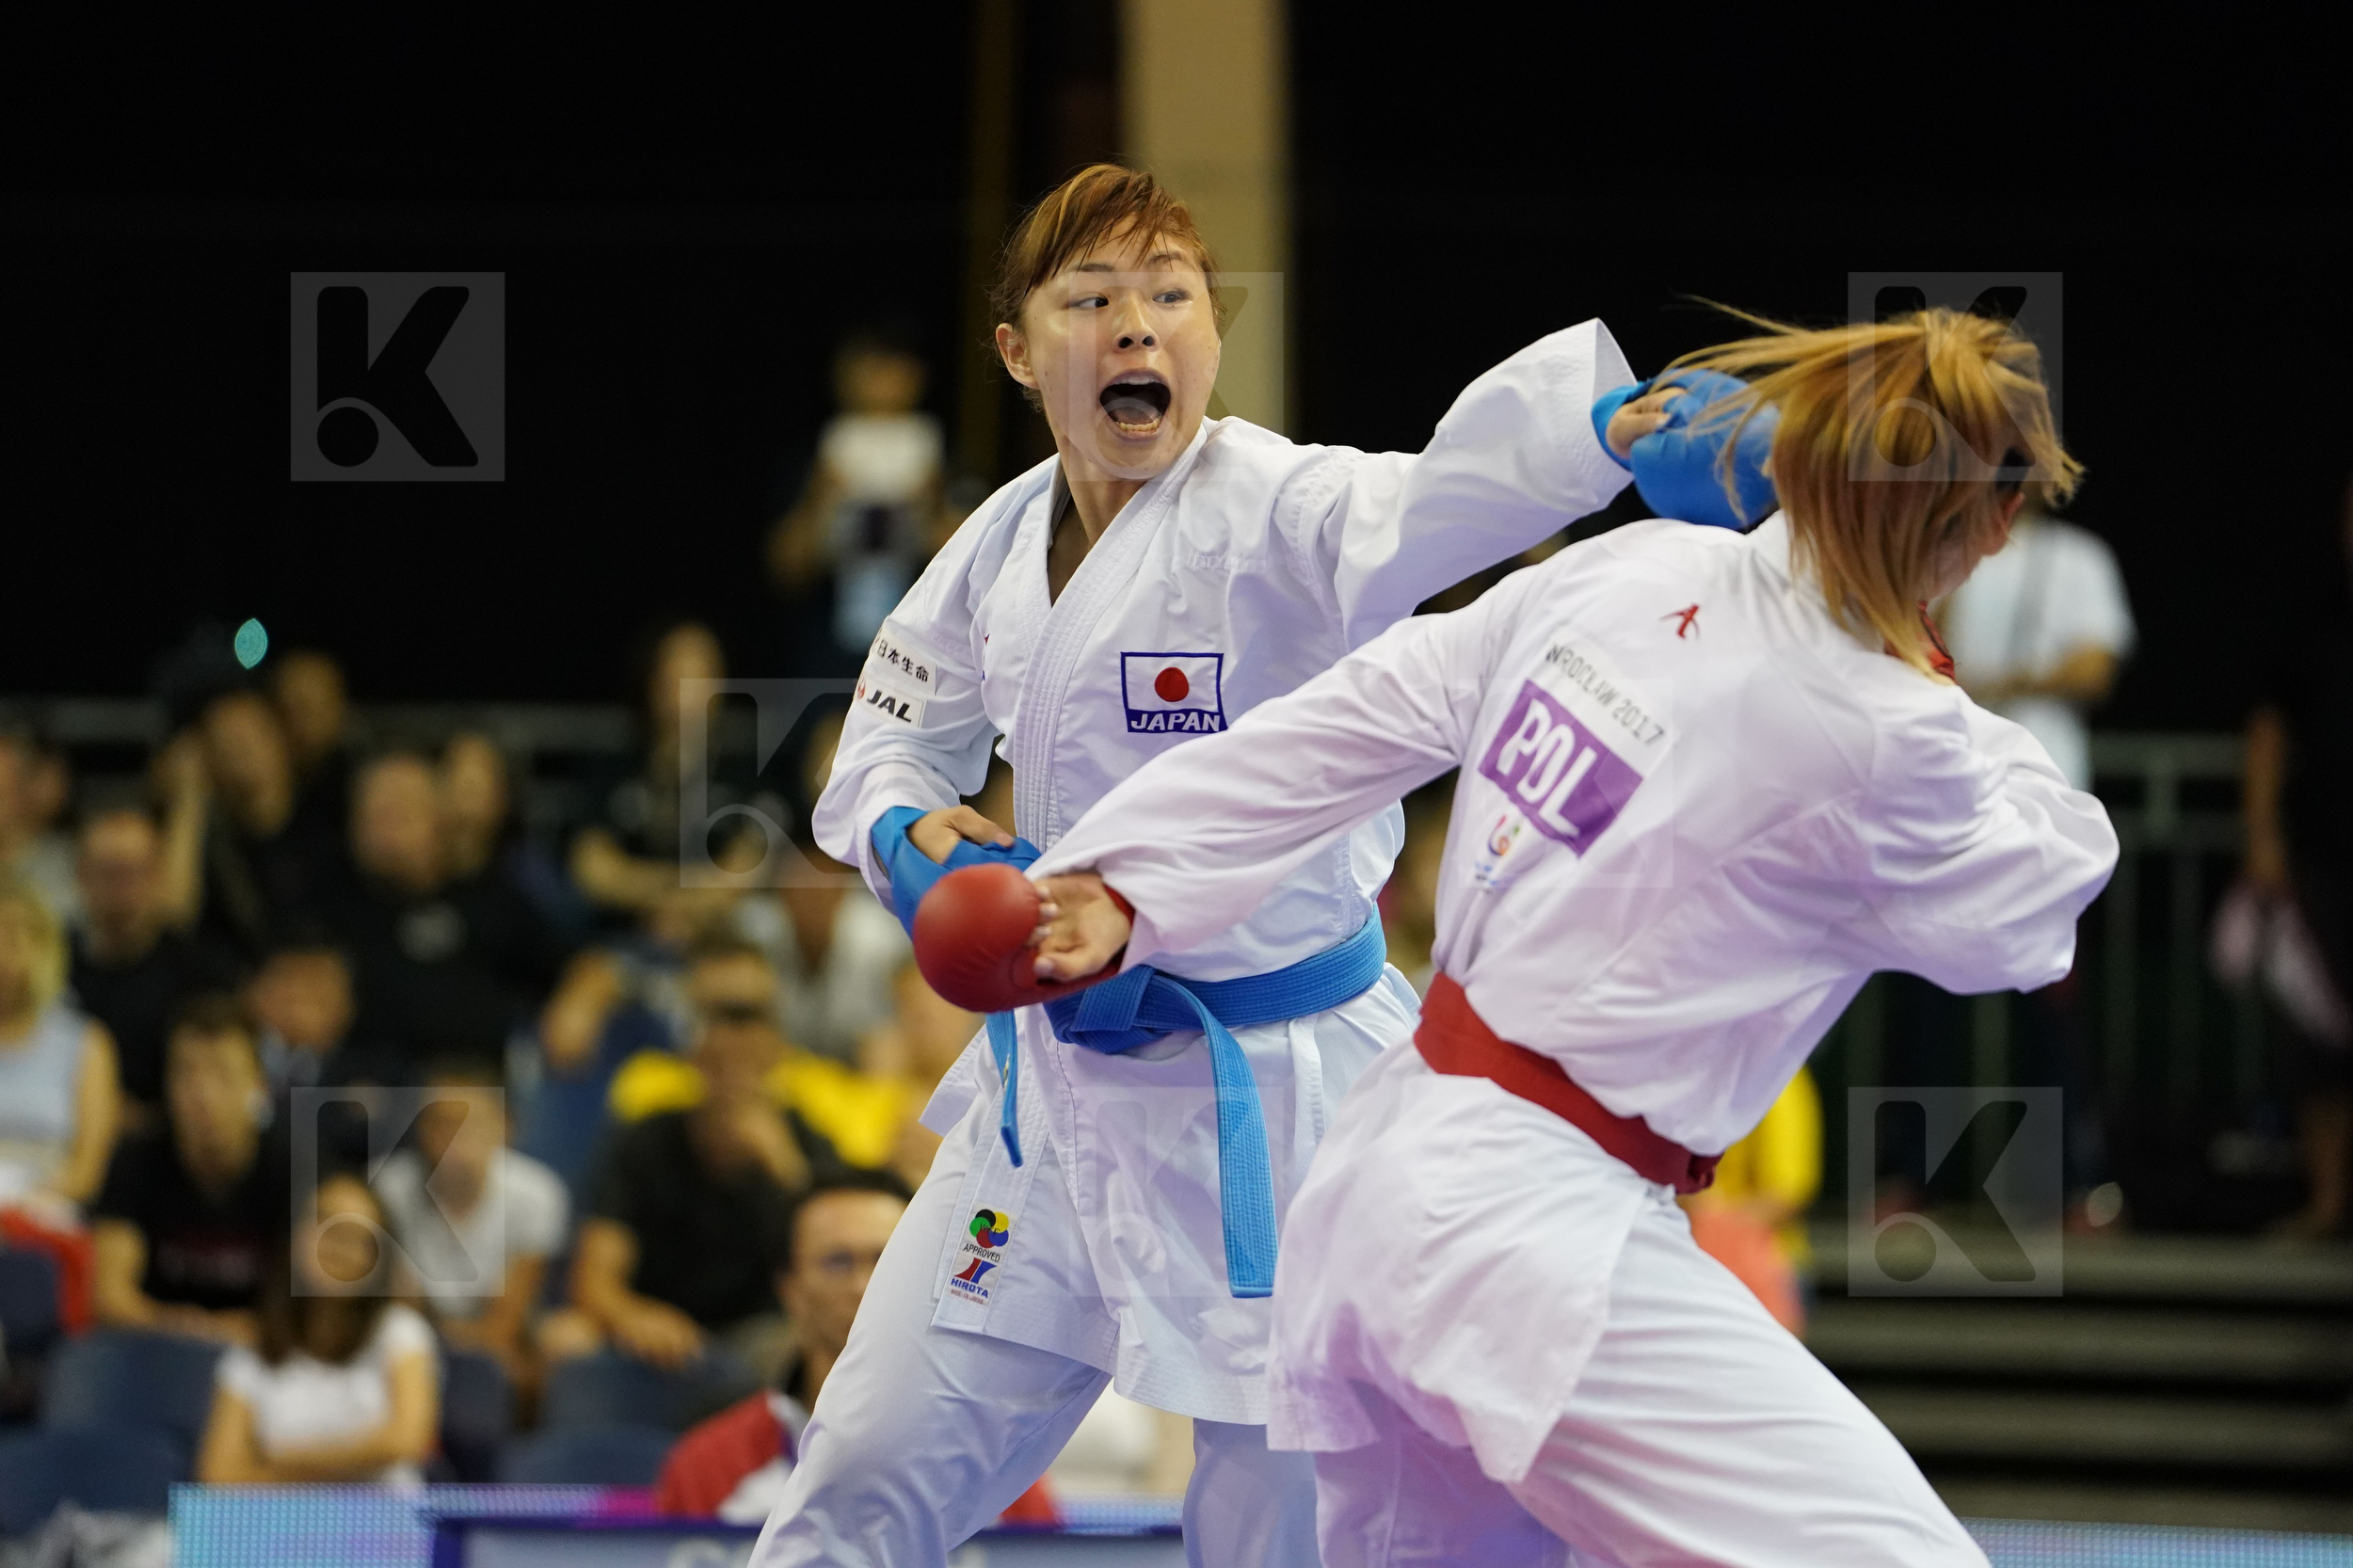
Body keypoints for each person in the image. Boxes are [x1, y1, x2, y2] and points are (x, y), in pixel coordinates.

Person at [1016, 307, 2117, 1565]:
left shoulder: (1631, 567)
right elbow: (2036, 909)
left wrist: (1115, 876)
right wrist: (1918, 662)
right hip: (1532, 1239)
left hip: (1382, 1189)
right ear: (1992, 527)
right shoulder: (1893, 735)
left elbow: (1359, 712)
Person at [760, 162, 1723, 1568]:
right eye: (1092, 298)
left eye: (1169, 295)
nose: (1137, 325)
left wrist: (1604, 438)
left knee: (1279, 1532)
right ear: (1022, 352)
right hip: (1054, 1103)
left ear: (1213, 335)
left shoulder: (1278, 506)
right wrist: (916, 853)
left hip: (1281, 1106)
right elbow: (887, 742)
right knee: (857, 1481)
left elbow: (1429, 505)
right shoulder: (994, 541)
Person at [547, 940, 854, 1379]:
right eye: (716, 1021)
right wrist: (634, 1315)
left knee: (809, 1351)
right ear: (690, 1044)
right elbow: (594, 1278)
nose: (732, 1042)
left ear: (777, 1042)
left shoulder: (809, 1140)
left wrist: (783, 1166)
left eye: (748, 1020)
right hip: (660, 1333)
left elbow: (844, 1267)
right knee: (567, 1339)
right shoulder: (646, 1139)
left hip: (767, 1334)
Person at [656, 1173, 925, 1520]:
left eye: (886, 1259)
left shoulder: (995, 1459)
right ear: (790, 1288)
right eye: (838, 1262)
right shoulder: (706, 1466)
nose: (864, 1286)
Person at [2242, 476, 2353, 1236]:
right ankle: (2327, 1203)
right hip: (2328, 862)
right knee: (2319, 1041)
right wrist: (2262, 838)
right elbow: (2269, 735)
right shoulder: (2318, 624)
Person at [326, 753, 579, 1077]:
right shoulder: (327, 910)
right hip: (365, 1096)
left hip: (489, 1089)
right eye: (373, 809)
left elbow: (574, 967)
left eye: (400, 807)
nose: (385, 823)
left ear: (440, 815)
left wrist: (582, 996)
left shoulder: (490, 897)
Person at [195, 1171, 440, 1485]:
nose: (336, 1245)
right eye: (323, 1222)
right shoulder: (252, 1350)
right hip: (280, 1528)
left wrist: (276, 1457)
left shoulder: (402, 1332)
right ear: (295, 1235)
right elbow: (218, 1476)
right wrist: (357, 1458)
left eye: (356, 1235)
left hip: (383, 1525)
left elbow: (406, 1441)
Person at [89, 994, 289, 1344]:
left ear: (259, 1086)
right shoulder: (136, 1161)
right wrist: (184, 1330)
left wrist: (240, 1333)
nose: (203, 1094)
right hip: (152, 1350)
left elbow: (313, 1314)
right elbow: (108, 1294)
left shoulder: (293, 1168)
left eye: (222, 1074)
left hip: (265, 1358)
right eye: (186, 1073)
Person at [375, 1057, 568, 1387]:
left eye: (472, 1122)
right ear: (421, 1129)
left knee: (550, 1350)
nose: (456, 1138)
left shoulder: (538, 1193)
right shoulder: (385, 1187)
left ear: (506, 1127)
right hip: (409, 1342)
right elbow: (400, 1313)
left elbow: (504, 1325)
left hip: (492, 1342)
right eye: (443, 1123)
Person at [768, 330, 955, 671]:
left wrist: (933, 503)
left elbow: (972, 568)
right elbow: (785, 569)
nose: (882, 383)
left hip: (915, 652)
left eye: (893, 368)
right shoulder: (819, 460)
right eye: (871, 368)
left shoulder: (939, 459)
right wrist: (820, 498)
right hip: (829, 653)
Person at [70, 808, 232, 1128]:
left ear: (159, 875)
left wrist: (139, 1119)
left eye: (136, 871)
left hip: (166, 1149)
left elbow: (221, 1092)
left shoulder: (202, 975)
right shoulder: (50, 967)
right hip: (59, 1137)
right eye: (110, 872)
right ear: (81, 875)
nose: (124, 888)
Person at [0, 875, 120, 1208]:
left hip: (46, 1214)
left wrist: (20, 1203)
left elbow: (87, 1172)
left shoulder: (85, 1044)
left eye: (14, 936)